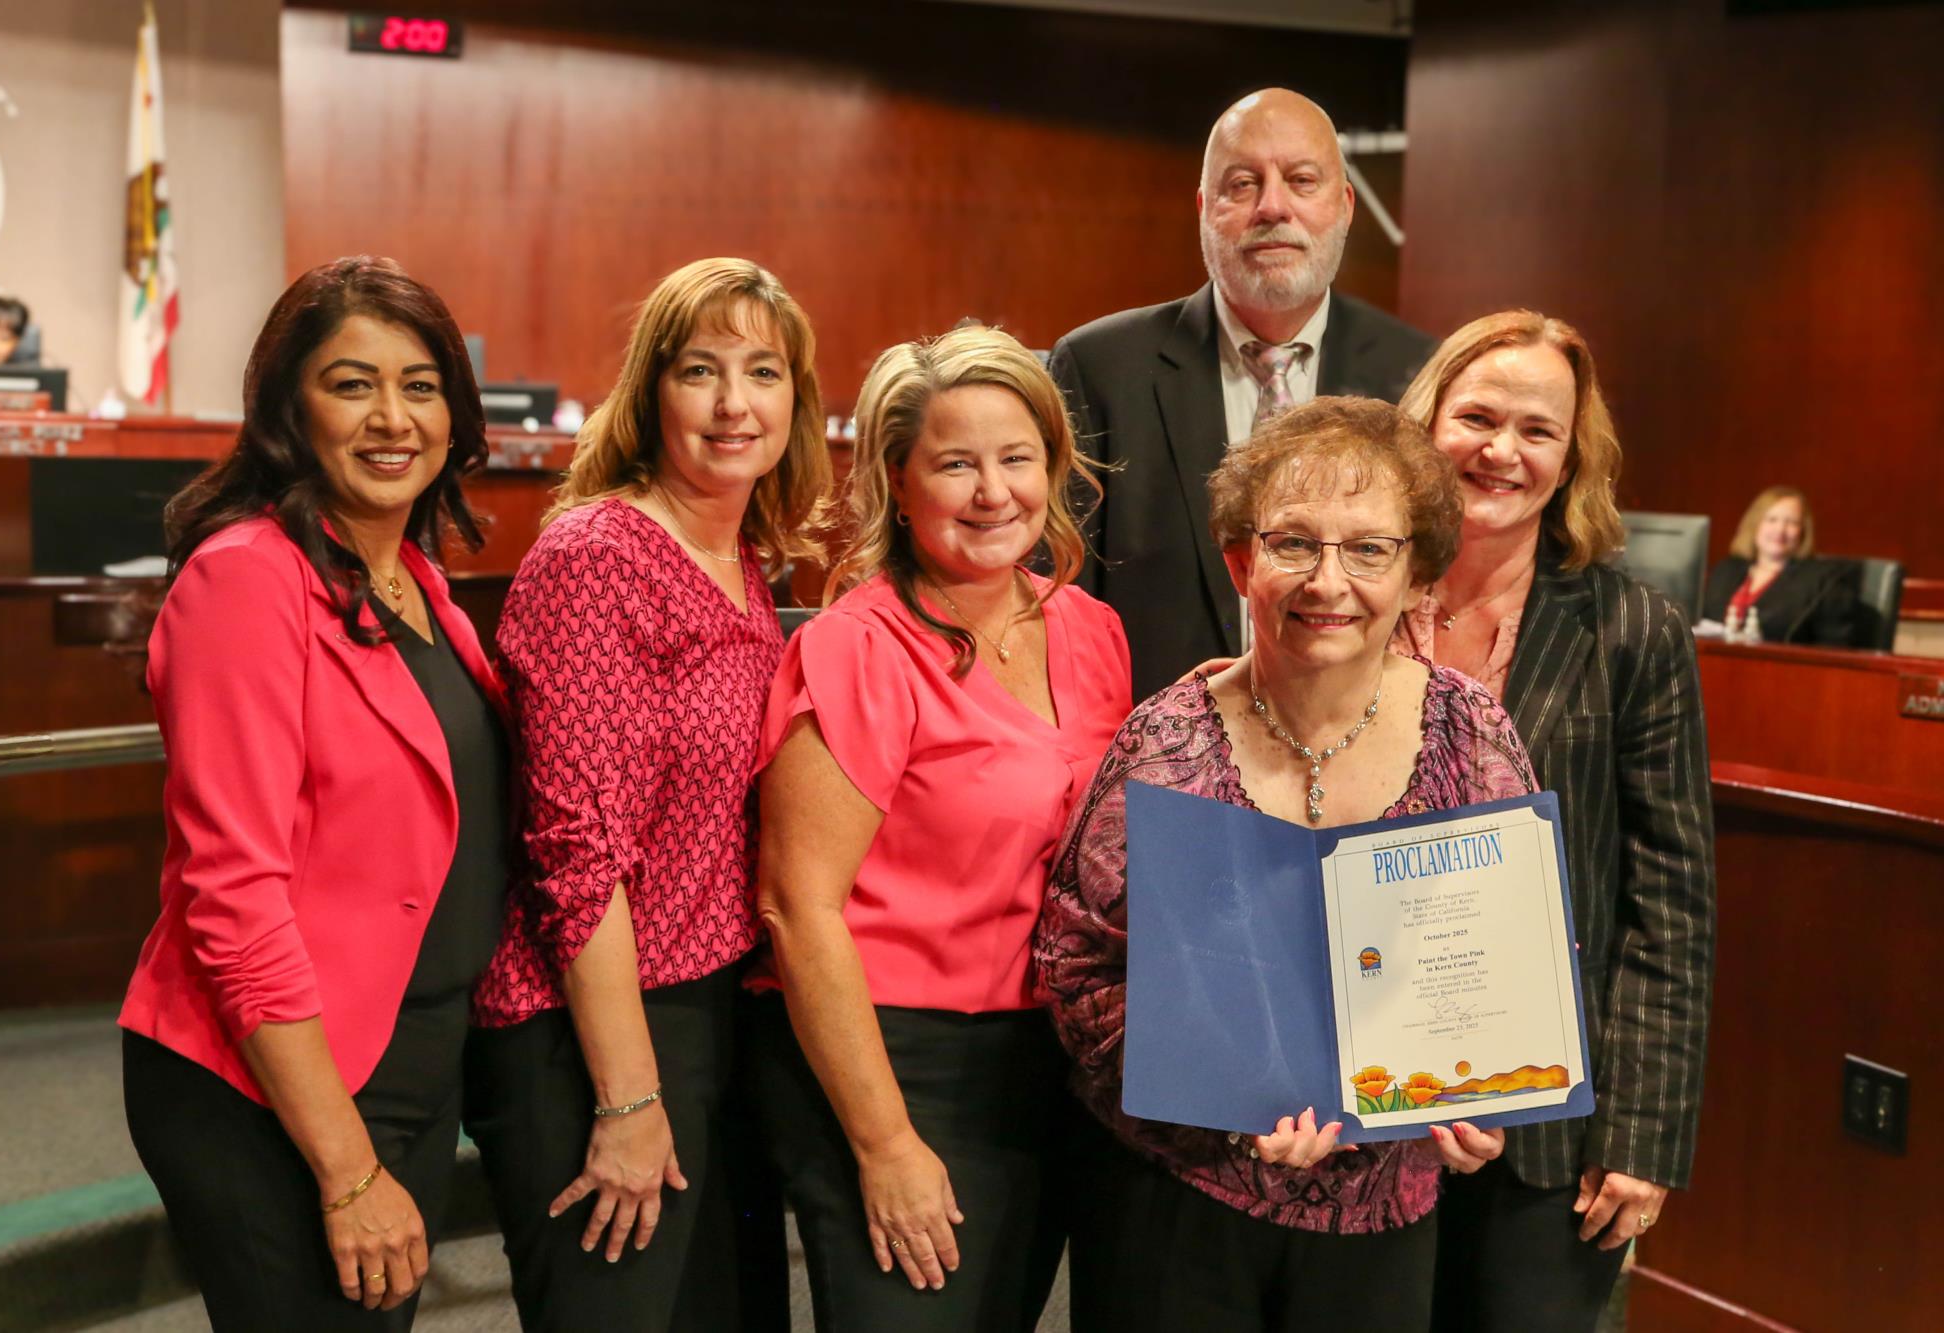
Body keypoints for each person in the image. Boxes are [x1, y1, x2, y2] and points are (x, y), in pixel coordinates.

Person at [1035, 396, 1518, 1332]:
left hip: (1384, 1215)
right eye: (1294, 542)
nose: (1327, 581)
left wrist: (1482, 1095)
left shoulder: (1472, 735)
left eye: (1369, 549)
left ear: (1418, 573)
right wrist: (1222, 1094)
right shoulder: (1166, 738)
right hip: (1176, 1202)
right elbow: (1073, 962)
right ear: (1241, 561)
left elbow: (1508, 959)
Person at [119, 256, 505, 1330]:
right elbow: (231, 890)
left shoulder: (414, 580)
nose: (393, 417)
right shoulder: (246, 577)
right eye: (351, 384)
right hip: (272, 1084)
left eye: (420, 385)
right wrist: (342, 1168)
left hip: (408, 1060)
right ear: (290, 408)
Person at [464, 257, 828, 1332]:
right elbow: (577, 858)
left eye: (762, 372)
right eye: (699, 370)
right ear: (649, 392)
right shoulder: (596, 554)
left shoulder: (744, 558)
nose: (732, 404)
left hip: (708, 1004)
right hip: (589, 1032)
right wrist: (627, 1097)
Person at [754, 324, 1132, 1329]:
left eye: (1015, 459)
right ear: (895, 478)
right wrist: (884, 1143)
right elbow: (798, 911)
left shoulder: (1089, 629)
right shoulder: (855, 649)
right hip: (896, 1064)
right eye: (954, 463)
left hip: (1052, 1062)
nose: (991, 492)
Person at [1394, 311, 1717, 1331]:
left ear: (1571, 455)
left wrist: (1643, 1133)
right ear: (1425, 420)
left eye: (1537, 430)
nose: (1501, 450)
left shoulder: (1630, 628)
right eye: (1476, 417)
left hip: (1543, 1124)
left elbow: (1669, 897)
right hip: (1352, 1098)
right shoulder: (1348, 592)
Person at [1049, 87, 1436, 699]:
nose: (1272, 207)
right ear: (1205, 208)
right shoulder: (1100, 368)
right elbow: (1056, 600)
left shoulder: (1417, 373)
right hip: (1150, 761)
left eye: (1302, 181)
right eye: (1242, 184)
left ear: (1345, 205)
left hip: (1360, 764)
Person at [1701, 485, 1855, 645]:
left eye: (1792, 523)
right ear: (1754, 525)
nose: (1780, 530)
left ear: (1803, 531)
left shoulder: (1823, 581)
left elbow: (1835, 647)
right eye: (1771, 519)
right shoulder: (1726, 570)